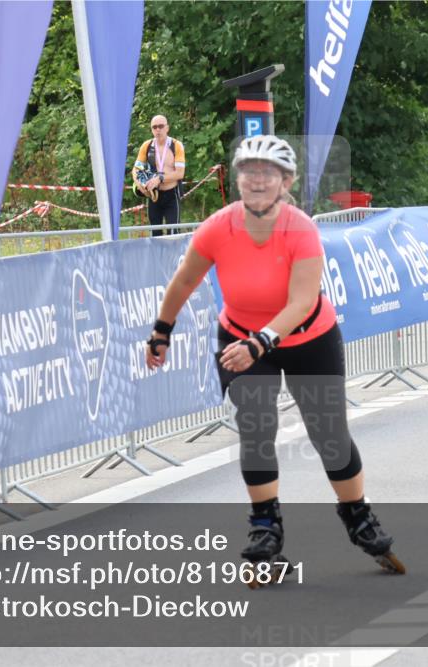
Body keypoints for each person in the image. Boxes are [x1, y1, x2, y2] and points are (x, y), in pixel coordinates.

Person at [144, 135, 404, 576]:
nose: (257, 180)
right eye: (249, 171)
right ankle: (266, 526)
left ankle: (358, 516)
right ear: (237, 179)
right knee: (256, 428)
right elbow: (184, 281)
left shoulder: (300, 229)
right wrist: (161, 331)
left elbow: (302, 302)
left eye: (268, 173)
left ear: (286, 182)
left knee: (329, 436)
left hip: (306, 338)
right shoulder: (218, 227)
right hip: (239, 336)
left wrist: (260, 343)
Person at [132, 115, 186, 237]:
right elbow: (136, 169)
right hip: (154, 196)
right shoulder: (147, 145)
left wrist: (160, 178)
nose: (158, 130)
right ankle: (158, 256)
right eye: (154, 127)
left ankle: (175, 256)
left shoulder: (176, 145)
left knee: (173, 234)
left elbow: (180, 173)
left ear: (167, 128)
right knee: (155, 234)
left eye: (161, 126)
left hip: (171, 194)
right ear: (151, 130)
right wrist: (140, 184)